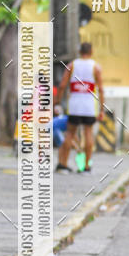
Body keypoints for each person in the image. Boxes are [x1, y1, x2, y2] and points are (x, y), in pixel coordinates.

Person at [55, 41, 104, 173]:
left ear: (80, 52)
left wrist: (57, 102)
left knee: (70, 133)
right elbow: (101, 90)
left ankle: (63, 164)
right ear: (91, 52)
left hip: (74, 106)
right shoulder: (96, 67)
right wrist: (102, 110)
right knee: (88, 133)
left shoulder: (72, 65)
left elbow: (62, 85)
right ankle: (86, 167)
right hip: (89, 107)